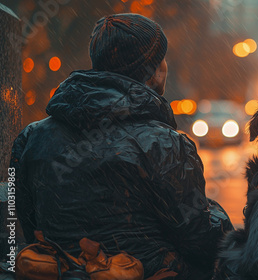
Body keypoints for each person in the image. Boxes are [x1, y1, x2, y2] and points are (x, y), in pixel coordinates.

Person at [10, 13, 233, 279]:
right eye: (162, 58)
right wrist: (216, 213)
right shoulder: (165, 144)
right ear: (155, 70)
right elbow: (201, 242)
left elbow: (24, 226)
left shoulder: (30, 137)